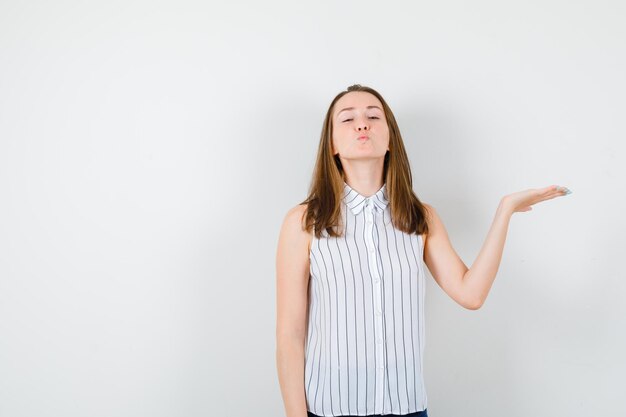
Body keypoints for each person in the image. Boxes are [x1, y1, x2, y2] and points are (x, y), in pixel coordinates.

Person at [275, 84, 571, 417]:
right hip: (329, 409)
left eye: (373, 116)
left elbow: (470, 294)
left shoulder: (420, 218)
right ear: (331, 144)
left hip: (408, 408)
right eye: (348, 119)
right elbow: (291, 333)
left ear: (390, 139)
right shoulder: (303, 221)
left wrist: (505, 211)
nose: (362, 124)